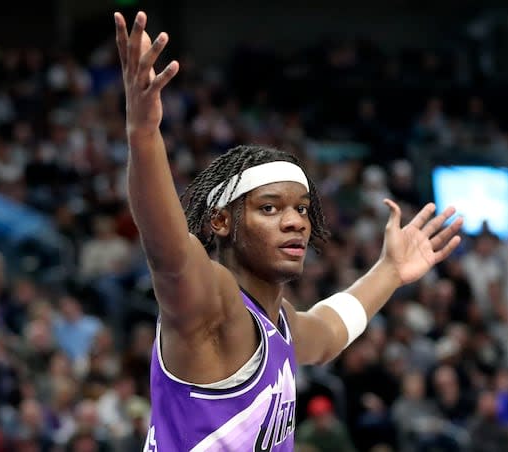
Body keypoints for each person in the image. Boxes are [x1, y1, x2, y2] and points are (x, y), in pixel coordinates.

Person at [113, 11, 463, 451]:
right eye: (269, 207)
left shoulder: (280, 323)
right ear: (221, 222)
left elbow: (331, 329)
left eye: (300, 207)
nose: (295, 219)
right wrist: (143, 134)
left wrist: (390, 269)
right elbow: (168, 251)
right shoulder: (212, 303)